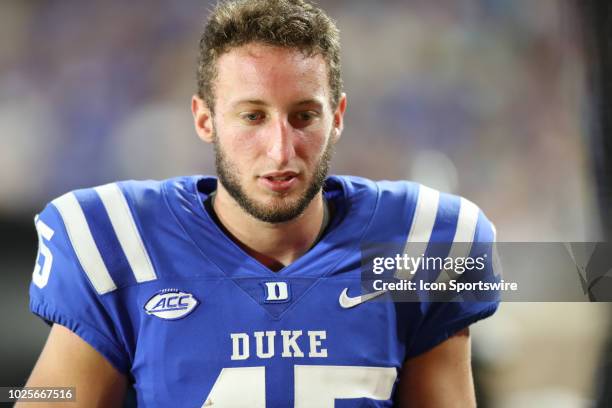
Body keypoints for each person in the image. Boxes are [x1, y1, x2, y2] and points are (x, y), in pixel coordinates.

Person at [22, 0, 499, 406]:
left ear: (337, 116)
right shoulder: (119, 242)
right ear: (205, 120)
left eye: (303, 116)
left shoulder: (416, 242)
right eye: (253, 116)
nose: (281, 150)